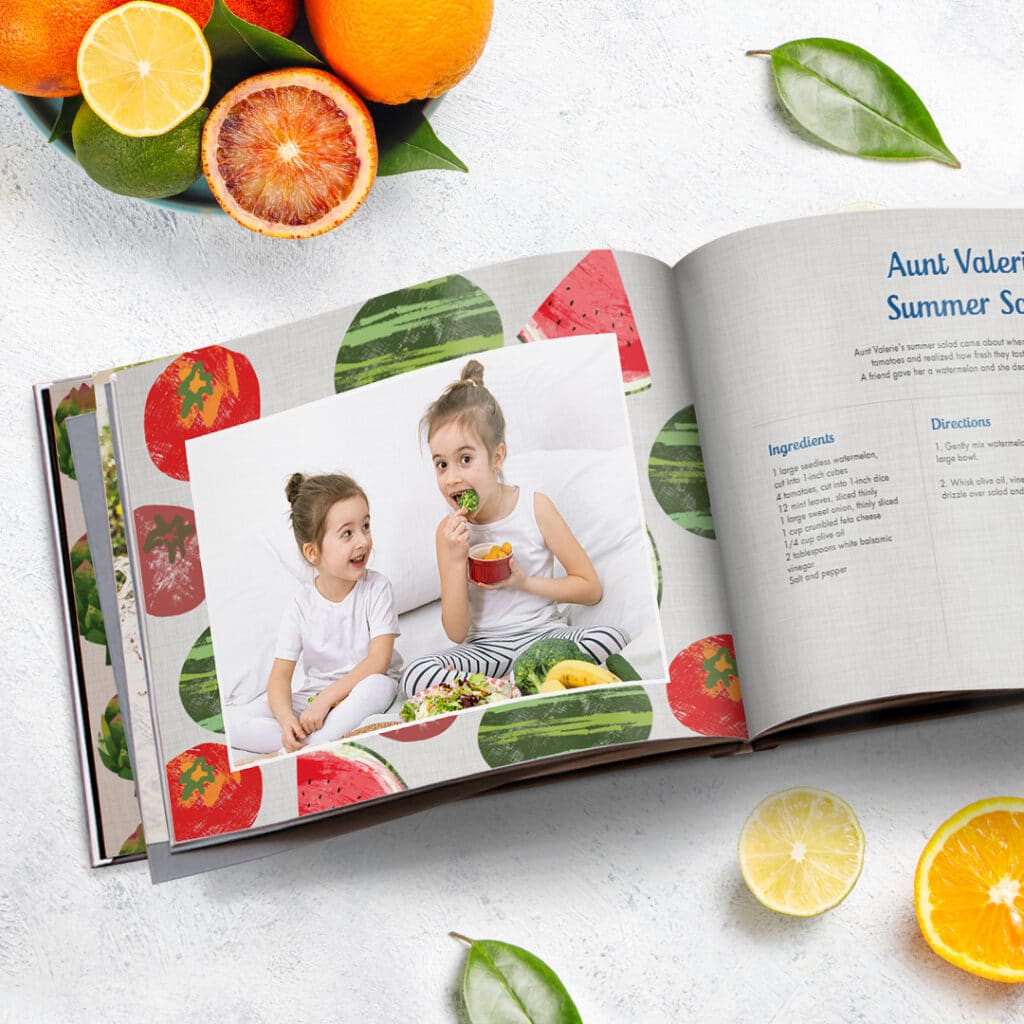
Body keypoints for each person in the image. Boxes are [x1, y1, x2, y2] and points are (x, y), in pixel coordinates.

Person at [400, 359, 628, 696]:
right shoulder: (446, 533)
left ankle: (498, 690)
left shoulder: (535, 508)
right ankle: (520, 685)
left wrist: (524, 582)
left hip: (545, 636)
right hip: (487, 650)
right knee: (415, 675)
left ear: (496, 457)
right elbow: (456, 632)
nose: (452, 477)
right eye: (441, 464)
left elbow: (589, 588)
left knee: (611, 638)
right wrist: (452, 561)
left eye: (465, 459)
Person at [227, 473, 401, 755]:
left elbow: (379, 661)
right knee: (233, 721)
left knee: (377, 687)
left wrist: (327, 701)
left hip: (359, 690)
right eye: (347, 533)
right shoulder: (300, 606)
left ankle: (305, 748)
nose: (363, 541)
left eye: (366, 526)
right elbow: (279, 679)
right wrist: (287, 721)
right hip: (314, 698)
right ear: (312, 552)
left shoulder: (377, 588)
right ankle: (302, 742)